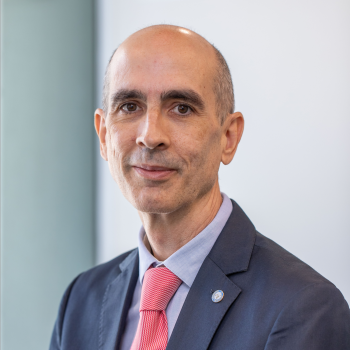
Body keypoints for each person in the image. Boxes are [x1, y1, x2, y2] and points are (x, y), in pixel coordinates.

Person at [49, 25, 350, 350]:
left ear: (228, 138)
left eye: (181, 108)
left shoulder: (303, 308)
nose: (150, 136)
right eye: (130, 106)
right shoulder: (81, 300)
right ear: (104, 135)